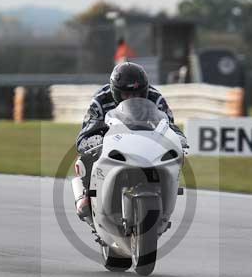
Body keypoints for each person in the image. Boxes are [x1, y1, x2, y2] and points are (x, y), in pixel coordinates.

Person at [74, 62, 187, 219]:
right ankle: (86, 195)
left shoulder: (156, 98)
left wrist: (179, 140)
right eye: (127, 94)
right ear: (116, 92)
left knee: (177, 155)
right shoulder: (101, 100)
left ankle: (167, 190)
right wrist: (95, 141)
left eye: (138, 94)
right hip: (112, 140)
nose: (133, 98)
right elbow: (85, 134)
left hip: (146, 143)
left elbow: (168, 126)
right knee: (84, 157)